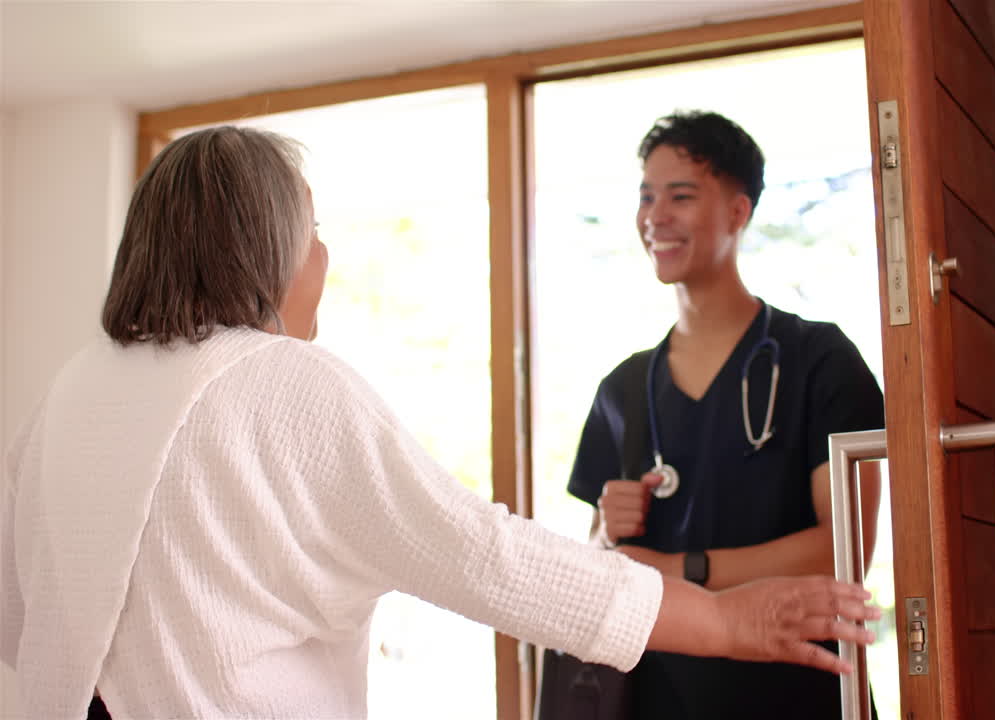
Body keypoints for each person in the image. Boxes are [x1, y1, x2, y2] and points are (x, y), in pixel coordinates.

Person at [0, 126, 882, 720]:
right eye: (312, 230)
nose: (324, 256)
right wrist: (725, 622)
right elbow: (480, 555)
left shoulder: (70, 391)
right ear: (260, 247)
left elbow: (18, 616)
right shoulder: (278, 382)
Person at [567, 110, 886, 719]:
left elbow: (845, 549)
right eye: (646, 197)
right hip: (660, 699)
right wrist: (605, 531)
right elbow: (602, 569)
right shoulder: (623, 391)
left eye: (680, 196)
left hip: (802, 692)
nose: (655, 217)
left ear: (738, 212)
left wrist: (681, 569)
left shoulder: (818, 360)